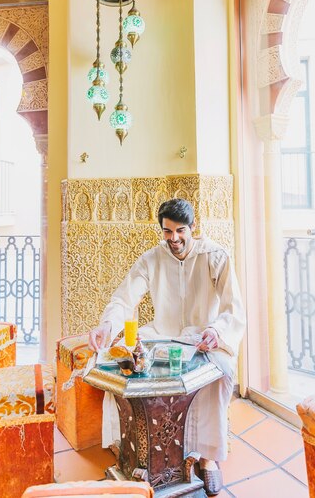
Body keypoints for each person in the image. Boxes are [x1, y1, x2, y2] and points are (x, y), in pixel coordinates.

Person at [88, 198, 245, 495]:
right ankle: (134, 448)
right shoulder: (152, 258)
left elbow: (233, 308)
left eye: (180, 231)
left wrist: (216, 330)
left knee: (222, 372)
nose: (174, 239)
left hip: (202, 337)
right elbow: (124, 299)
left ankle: (209, 457)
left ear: (193, 228)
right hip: (163, 334)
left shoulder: (215, 255)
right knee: (118, 365)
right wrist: (108, 325)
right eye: (167, 232)